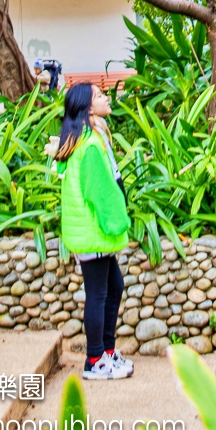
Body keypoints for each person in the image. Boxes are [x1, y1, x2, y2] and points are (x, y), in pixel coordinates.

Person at [51, 82, 133, 380]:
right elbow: (101, 192)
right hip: (94, 232)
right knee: (99, 294)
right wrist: (119, 222)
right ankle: (95, 359)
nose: (106, 97)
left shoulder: (85, 138)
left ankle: (107, 353)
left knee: (114, 287)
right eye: (100, 95)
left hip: (91, 233)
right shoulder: (89, 146)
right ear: (88, 108)